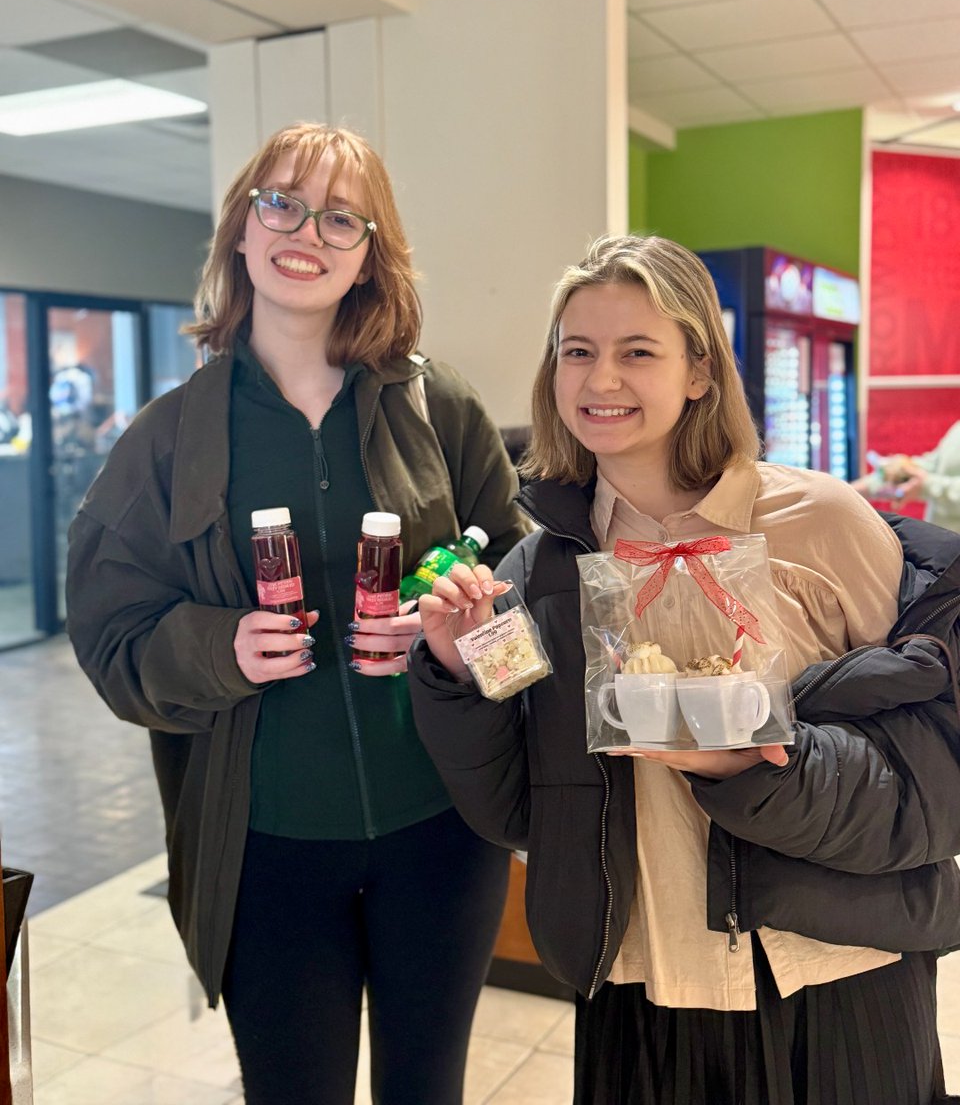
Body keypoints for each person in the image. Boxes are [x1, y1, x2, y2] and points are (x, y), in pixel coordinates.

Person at [408, 233, 960, 1105]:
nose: (600, 381)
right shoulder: (541, 570)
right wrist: (453, 669)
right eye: (577, 352)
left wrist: (761, 767)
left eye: (638, 352)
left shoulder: (822, 522)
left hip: (831, 971)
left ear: (700, 370)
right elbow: (519, 805)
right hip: (643, 979)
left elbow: (932, 772)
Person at [65, 122, 529, 1105]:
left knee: (427, 1091)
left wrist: (457, 638)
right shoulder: (168, 438)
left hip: (441, 832)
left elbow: (532, 615)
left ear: (371, 253)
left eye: (339, 216)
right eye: (279, 202)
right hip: (263, 845)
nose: (303, 230)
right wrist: (217, 642)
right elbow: (111, 637)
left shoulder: (439, 409)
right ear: (241, 228)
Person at [852, 422, 960, 532]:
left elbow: (924, 481)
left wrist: (926, 485)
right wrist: (900, 469)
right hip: (940, 539)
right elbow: (931, 465)